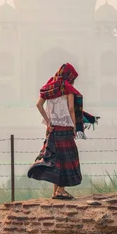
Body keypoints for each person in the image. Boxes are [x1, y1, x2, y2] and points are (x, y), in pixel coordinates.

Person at [27, 63, 84, 200]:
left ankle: (55, 192)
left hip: (52, 129)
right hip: (64, 129)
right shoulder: (66, 87)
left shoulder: (50, 87)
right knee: (66, 159)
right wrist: (74, 127)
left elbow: (38, 104)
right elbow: (71, 109)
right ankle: (61, 190)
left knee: (56, 160)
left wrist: (48, 122)